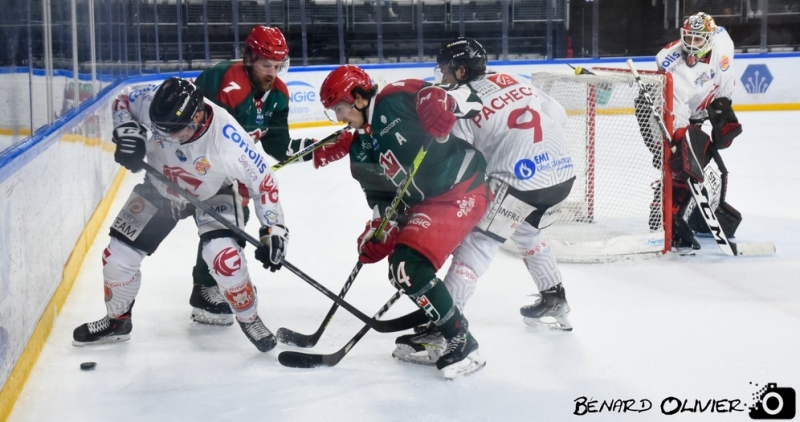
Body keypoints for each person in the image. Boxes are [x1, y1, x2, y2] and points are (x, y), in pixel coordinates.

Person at [391, 37, 578, 366]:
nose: (443, 77)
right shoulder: (510, 79)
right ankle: (554, 299)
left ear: (461, 70)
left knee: (475, 247)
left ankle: (443, 330)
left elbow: (457, 162)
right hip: (563, 174)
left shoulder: (454, 103)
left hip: (519, 183)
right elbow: (558, 114)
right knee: (529, 234)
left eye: (447, 70)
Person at [72, 77, 290, 353]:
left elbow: (265, 185)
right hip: (161, 186)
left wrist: (274, 230)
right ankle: (117, 321)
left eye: (173, 131)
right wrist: (128, 131)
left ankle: (250, 318)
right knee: (117, 258)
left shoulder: (230, 140)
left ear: (198, 115)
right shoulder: (152, 100)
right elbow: (122, 100)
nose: (164, 138)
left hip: (214, 192)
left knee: (225, 259)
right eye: (158, 130)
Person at [318, 64, 489, 379]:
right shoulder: (361, 145)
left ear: (356, 97)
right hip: (428, 202)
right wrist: (378, 232)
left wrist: (443, 103)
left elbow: (469, 97)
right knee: (401, 271)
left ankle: (461, 340)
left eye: (339, 107)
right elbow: (382, 199)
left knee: (409, 266)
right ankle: (440, 329)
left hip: (461, 187)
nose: (340, 117)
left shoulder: (394, 97)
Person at [188, 26, 352, 326]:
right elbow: (193, 129)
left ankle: (206, 289)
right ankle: (202, 290)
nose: (272, 73)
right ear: (249, 57)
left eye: (278, 66)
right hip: (194, 167)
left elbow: (279, 146)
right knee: (225, 222)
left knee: (233, 223)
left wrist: (323, 148)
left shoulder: (278, 95)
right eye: (266, 65)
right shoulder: (220, 79)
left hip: (233, 176)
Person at [636, 12, 742, 251]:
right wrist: (682, 146)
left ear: (710, 39)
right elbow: (675, 115)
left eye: (698, 39)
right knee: (677, 165)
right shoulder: (673, 66)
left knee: (693, 164)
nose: (691, 45)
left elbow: (723, 73)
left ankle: (690, 213)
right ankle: (664, 219)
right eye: (688, 38)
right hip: (657, 112)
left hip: (692, 110)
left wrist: (722, 105)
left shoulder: (723, 40)